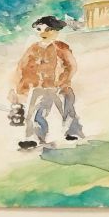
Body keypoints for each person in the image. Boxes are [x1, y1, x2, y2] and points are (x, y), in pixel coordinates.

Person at [11, 15, 83, 150]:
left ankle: (72, 132)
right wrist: (20, 86)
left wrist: (62, 81)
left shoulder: (61, 47)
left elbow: (71, 66)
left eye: (48, 29)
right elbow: (23, 67)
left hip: (60, 86)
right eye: (39, 29)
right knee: (34, 112)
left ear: (56, 31)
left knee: (67, 109)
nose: (43, 33)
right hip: (38, 86)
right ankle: (34, 138)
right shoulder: (34, 48)